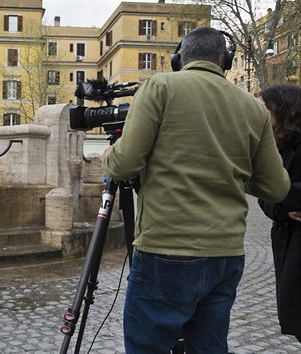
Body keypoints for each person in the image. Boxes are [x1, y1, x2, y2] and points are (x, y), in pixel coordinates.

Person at [102, 27, 290, 353]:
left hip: (166, 248)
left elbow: (124, 164)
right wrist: (229, 170)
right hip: (225, 253)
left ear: (178, 59)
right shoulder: (253, 108)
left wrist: (109, 156)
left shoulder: (159, 87)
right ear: (225, 61)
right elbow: (277, 187)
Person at [258, 83, 301, 344]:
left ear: (281, 110)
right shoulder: (274, 146)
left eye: (264, 110)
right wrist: (280, 206)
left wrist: (282, 195)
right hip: (287, 241)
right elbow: (264, 193)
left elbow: (275, 189)